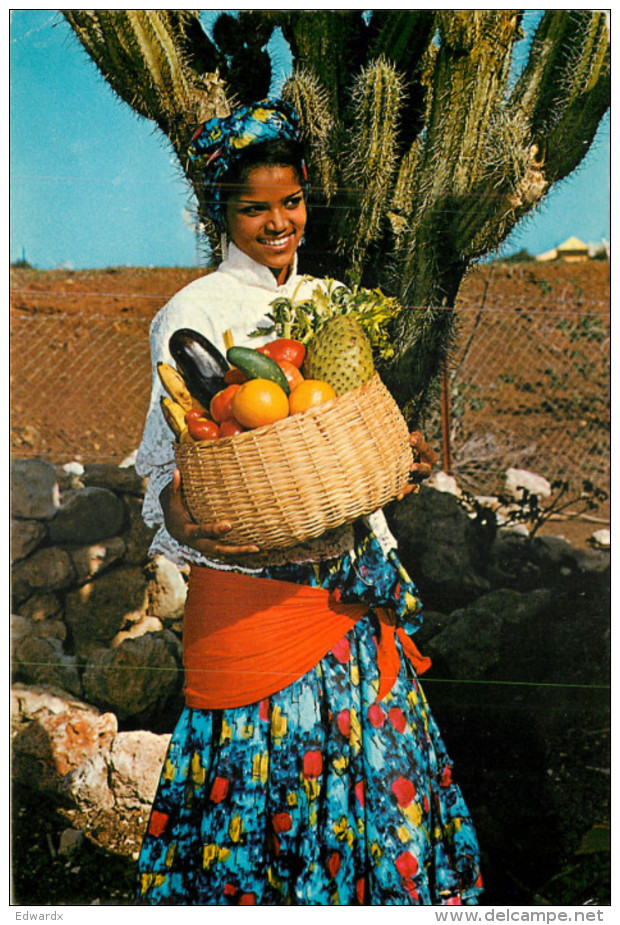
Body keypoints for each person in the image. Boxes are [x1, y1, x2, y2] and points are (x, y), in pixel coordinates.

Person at [134, 99, 482, 906]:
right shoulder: (192, 316)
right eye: (254, 207)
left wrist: (402, 458)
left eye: (289, 202)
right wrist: (192, 519)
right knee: (262, 813)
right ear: (218, 209)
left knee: (374, 804)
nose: (278, 221)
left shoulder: (331, 303)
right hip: (258, 605)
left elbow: (355, 440)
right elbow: (169, 476)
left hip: (353, 600)